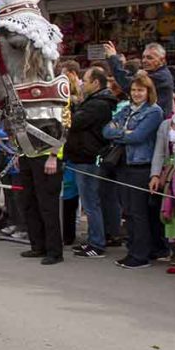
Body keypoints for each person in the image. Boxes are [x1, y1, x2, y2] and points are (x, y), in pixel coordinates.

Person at [103, 73, 165, 269]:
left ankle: (141, 255)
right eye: (134, 90)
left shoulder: (154, 112)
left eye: (141, 90)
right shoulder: (127, 109)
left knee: (138, 212)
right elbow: (106, 130)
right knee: (128, 211)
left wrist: (120, 133)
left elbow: (138, 136)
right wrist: (124, 133)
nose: (136, 93)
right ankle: (134, 249)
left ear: (148, 92)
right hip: (124, 164)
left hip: (141, 165)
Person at [65, 67, 117, 258]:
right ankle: (94, 239)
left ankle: (97, 243)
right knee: (92, 202)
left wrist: (71, 106)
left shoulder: (97, 105)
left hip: (88, 158)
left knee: (91, 203)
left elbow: (74, 122)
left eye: (85, 81)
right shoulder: (94, 102)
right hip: (83, 156)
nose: (81, 84)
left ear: (96, 83)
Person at [104, 41, 175, 118]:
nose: (144, 61)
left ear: (162, 60)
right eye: (143, 57)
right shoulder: (151, 73)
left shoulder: (160, 76)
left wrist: (113, 58)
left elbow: (127, 83)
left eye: (149, 58)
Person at [150, 109, 175, 273]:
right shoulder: (167, 124)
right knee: (172, 212)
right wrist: (155, 175)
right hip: (172, 174)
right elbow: (159, 152)